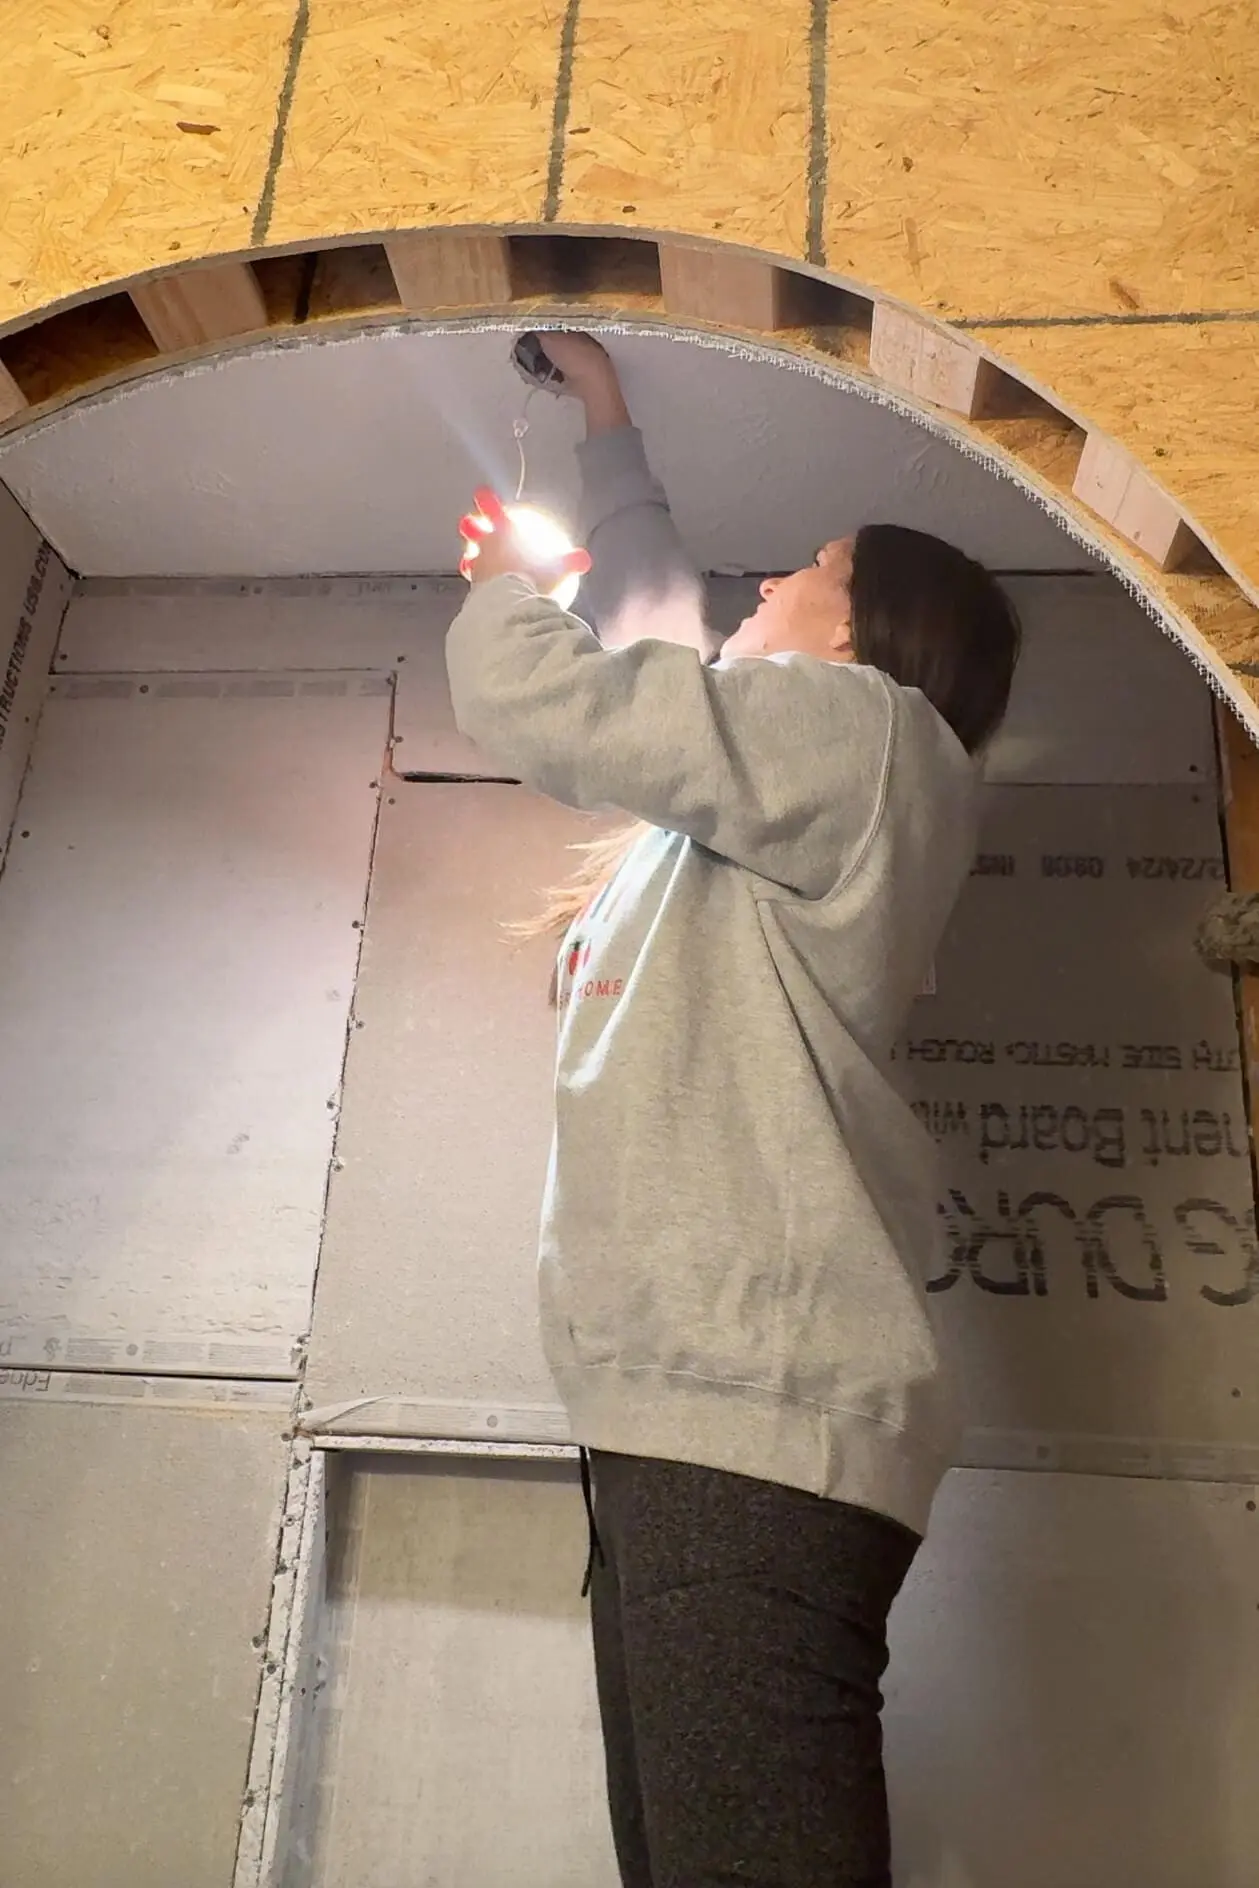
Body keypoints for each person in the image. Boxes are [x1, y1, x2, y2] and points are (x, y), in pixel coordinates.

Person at [446, 332, 1021, 1888]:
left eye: (814, 565)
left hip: (747, 1412)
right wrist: (608, 430)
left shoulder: (871, 740)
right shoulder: (781, 800)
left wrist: (505, 585)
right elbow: (650, 644)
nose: (770, 578)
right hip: (695, 1410)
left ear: (868, 634)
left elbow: (563, 699)